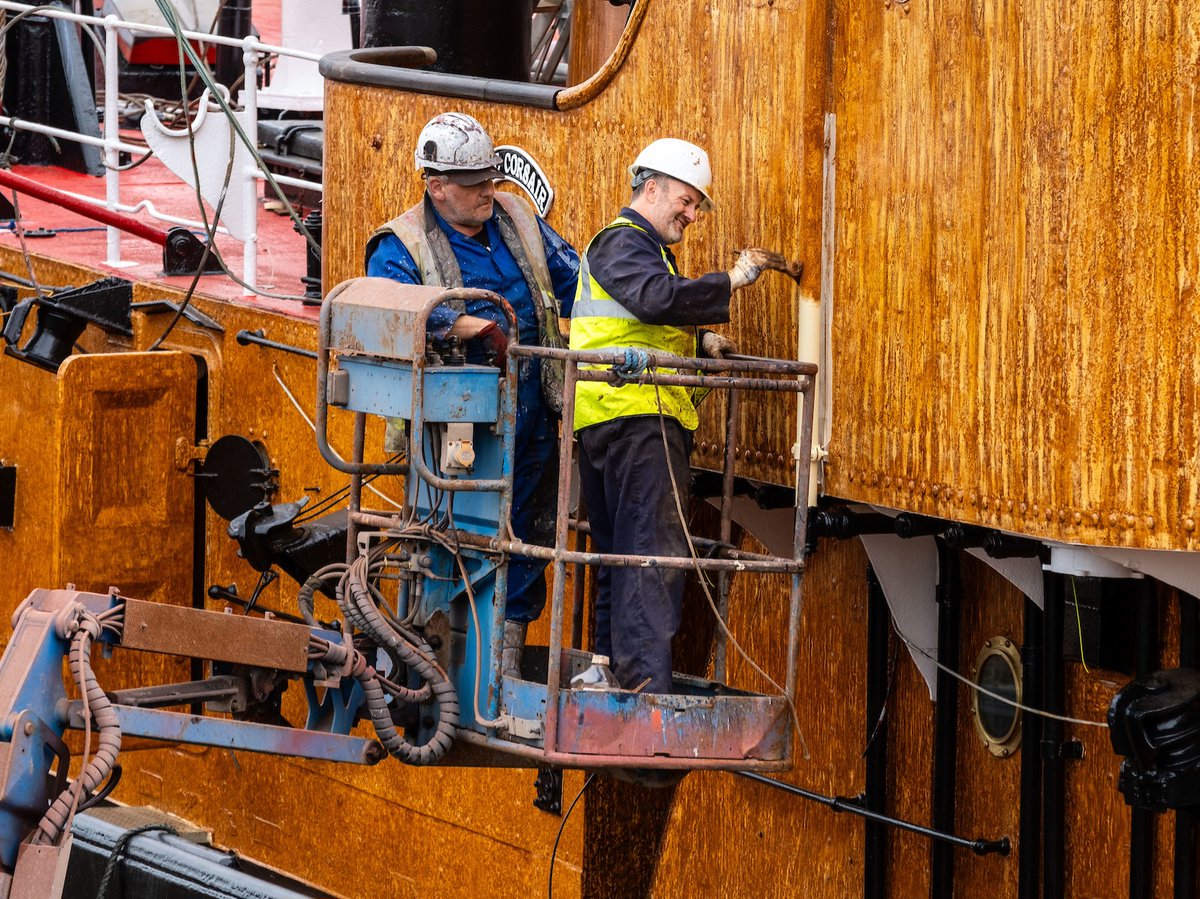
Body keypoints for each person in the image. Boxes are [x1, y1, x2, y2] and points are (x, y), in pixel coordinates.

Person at [365, 111, 580, 678]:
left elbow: (577, 278)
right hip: (461, 423)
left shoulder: (517, 218)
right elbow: (396, 309)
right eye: (473, 183)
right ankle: (451, 663)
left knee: (531, 529)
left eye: (490, 178)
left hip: (536, 403)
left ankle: (502, 665)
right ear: (435, 186)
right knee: (460, 535)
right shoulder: (401, 244)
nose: (488, 191)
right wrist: (477, 329)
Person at [569, 138, 783, 693]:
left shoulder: (637, 250)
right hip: (638, 417)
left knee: (621, 549)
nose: (691, 215)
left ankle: (607, 667)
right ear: (651, 188)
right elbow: (654, 298)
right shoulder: (622, 242)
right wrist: (732, 281)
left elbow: (643, 314)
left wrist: (703, 340)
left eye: (696, 206)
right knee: (651, 556)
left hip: (609, 419)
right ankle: (644, 691)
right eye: (686, 201)